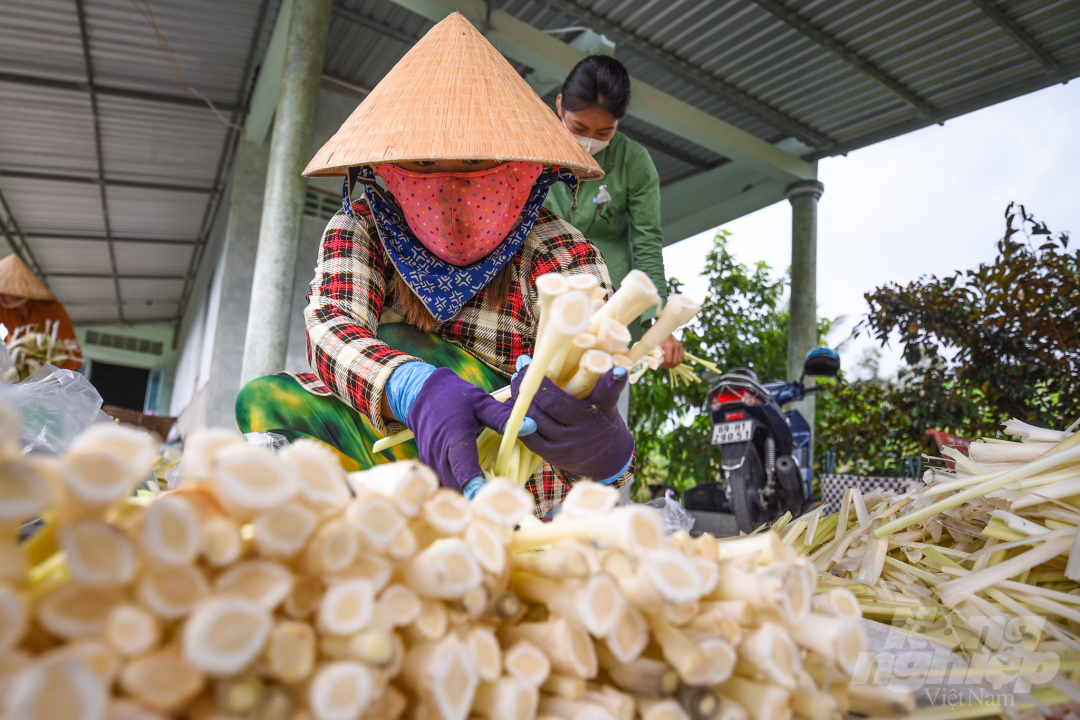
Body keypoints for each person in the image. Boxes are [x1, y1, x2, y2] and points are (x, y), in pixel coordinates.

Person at [236, 13, 635, 517]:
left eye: (474, 161)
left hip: (509, 491)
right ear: (387, 168)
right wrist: (411, 385)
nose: (450, 183)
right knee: (265, 400)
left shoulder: (558, 250)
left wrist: (606, 452)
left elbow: (588, 389)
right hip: (387, 463)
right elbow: (332, 325)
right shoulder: (364, 227)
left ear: (520, 166)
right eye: (423, 163)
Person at [544, 55, 684, 370]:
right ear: (559, 105)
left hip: (608, 312)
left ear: (618, 124)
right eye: (579, 127)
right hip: (538, 300)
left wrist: (658, 323)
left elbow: (647, 241)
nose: (589, 141)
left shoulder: (634, 162)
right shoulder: (531, 148)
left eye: (604, 132)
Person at [0, 254, 81, 371]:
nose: (0, 296)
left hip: (44, 369)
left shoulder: (51, 308)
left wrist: (51, 379)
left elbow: (73, 356)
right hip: (15, 365)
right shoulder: (3, 307)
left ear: (19, 288)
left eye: (4, 290)